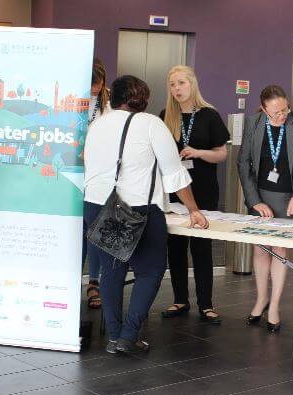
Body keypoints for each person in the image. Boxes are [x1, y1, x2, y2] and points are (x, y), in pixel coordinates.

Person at [83, 75, 208, 354]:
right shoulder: (151, 124)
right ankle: (129, 335)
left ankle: (114, 337)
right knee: (149, 271)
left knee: (111, 272)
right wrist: (193, 209)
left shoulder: (96, 125)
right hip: (136, 209)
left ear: (113, 98)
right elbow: (174, 174)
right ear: (143, 98)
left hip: (95, 205)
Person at [237, 85, 293, 333]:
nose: (281, 116)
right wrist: (254, 201)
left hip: (288, 196)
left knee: (279, 249)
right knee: (260, 250)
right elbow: (244, 163)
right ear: (263, 109)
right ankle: (261, 300)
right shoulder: (253, 122)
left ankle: (275, 307)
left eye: (284, 110)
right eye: (275, 113)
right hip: (260, 196)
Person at [159, 65, 229, 325]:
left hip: (204, 190)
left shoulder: (209, 115)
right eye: (173, 85)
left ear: (192, 84)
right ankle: (180, 299)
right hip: (175, 191)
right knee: (175, 246)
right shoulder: (166, 116)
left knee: (201, 248)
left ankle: (206, 304)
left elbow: (222, 154)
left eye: (181, 83)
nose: (177, 89)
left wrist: (197, 153)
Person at [83, 58, 112, 310]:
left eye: (98, 83)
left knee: (94, 231)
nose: (94, 88)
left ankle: (94, 282)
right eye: (90, 83)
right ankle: (72, 280)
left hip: (98, 177)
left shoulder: (108, 106)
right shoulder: (72, 101)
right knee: (76, 231)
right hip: (72, 173)